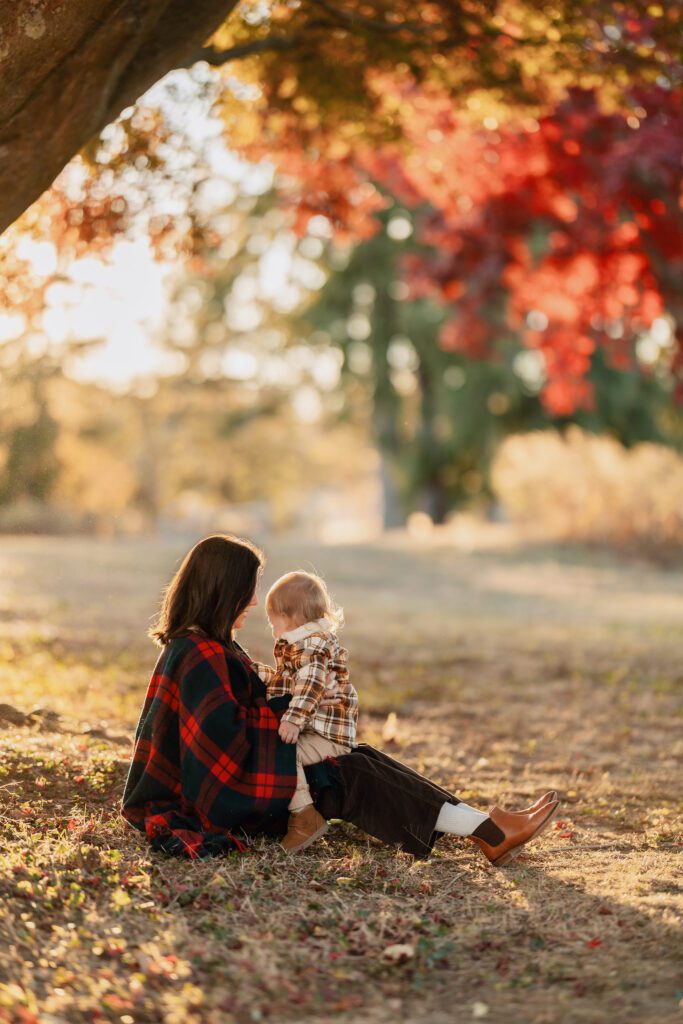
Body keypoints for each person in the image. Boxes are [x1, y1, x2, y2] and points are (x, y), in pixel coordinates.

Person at [122, 534, 559, 864]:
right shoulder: (195, 654)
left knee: (359, 757)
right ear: (222, 591)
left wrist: (301, 700)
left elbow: (249, 709)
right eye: (247, 589)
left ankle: (488, 827)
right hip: (220, 797)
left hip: (250, 771)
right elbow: (219, 747)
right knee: (348, 775)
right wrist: (291, 710)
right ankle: (488, 830)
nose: (254, 602)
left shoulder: (209, 647)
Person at [254, 571, 358, 852]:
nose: (271, 628)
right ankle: (303, 814)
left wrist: (293, 720)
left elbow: (310, 685)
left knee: (286, 754)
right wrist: (257, 673)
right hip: (322, 731)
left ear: (291, 617)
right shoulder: (305, 643)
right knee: (283, 751)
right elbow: (288, 682)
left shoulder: (312, 644)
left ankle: (304, 816)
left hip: (329, 736)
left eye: (272, 620)